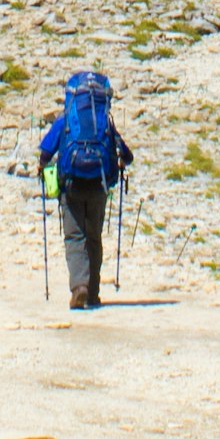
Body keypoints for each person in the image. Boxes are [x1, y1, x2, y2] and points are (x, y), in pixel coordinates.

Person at [35, 68, 132, 311]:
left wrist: (43, 168)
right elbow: (127, 156)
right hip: (98, 186)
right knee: (93, 238)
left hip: (71, 184)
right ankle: (94, 292)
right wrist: (119, 162)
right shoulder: (105, 122)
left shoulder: (66, 119)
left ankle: (79, 286)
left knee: (74, 236)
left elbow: (46, 153)